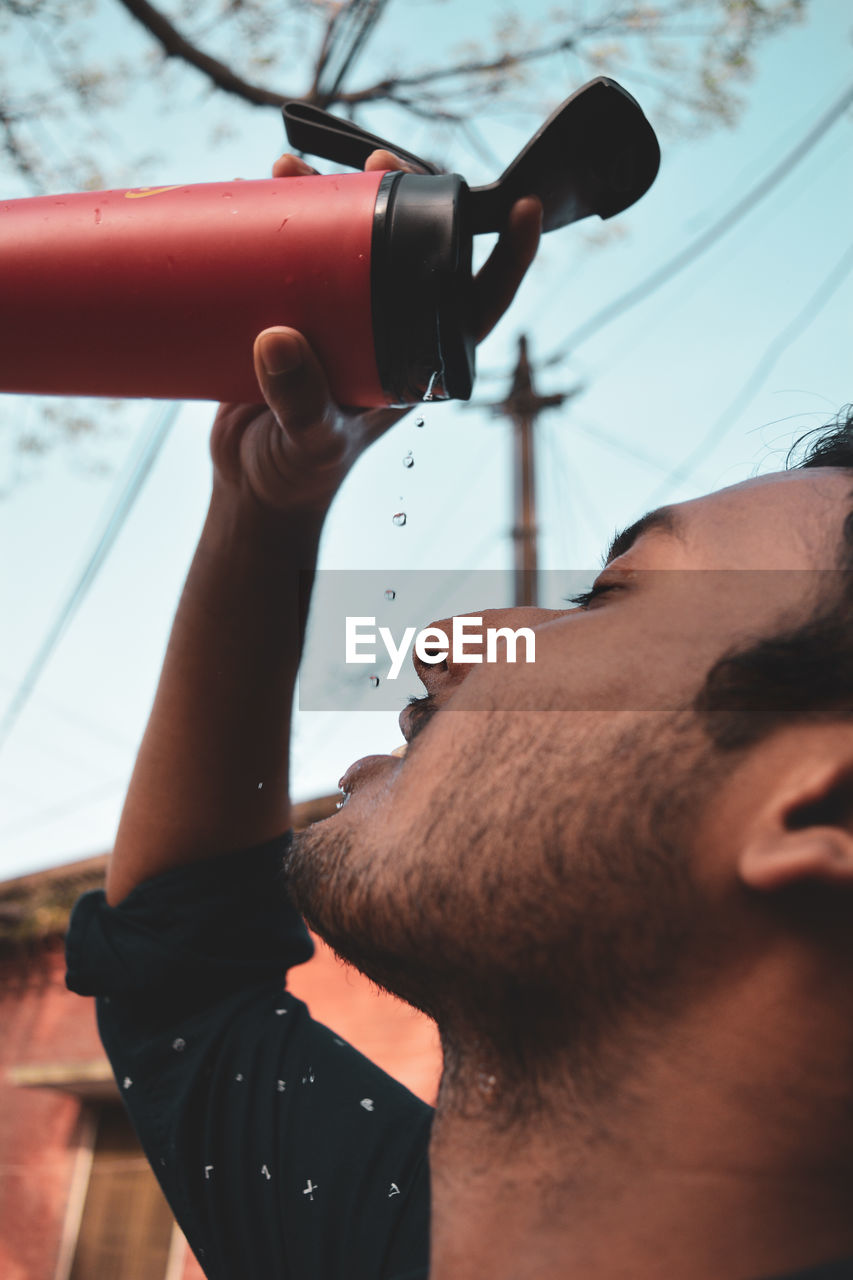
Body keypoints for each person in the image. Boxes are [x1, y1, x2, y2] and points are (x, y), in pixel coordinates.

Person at [65, 146, 853, 1280]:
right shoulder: (398, 1242)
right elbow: (175, 976)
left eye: (610, 594)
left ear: (818, 803)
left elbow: (172, 972)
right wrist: (266, 502)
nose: (440, 643)